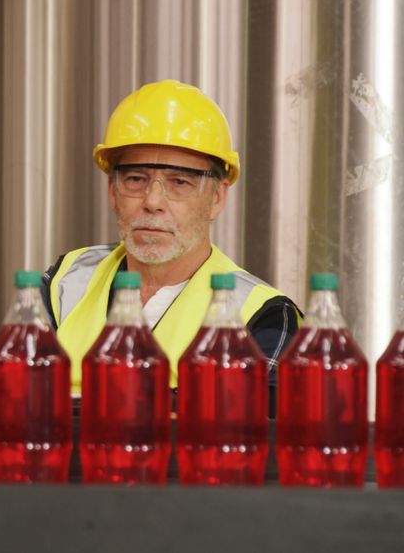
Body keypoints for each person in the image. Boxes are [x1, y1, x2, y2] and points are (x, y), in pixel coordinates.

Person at [42, 79, 301, 392]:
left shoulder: (262, 316)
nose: (152, 201)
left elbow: (259, 419)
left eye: (179, 182)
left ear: (217, 198)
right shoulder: (67, 280)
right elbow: (6, 393)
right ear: (112, 190)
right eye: (136, 179)